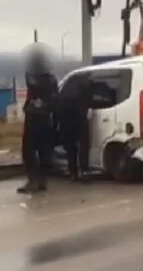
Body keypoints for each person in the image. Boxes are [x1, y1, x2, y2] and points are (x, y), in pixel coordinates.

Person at [19, 46, 58, 194]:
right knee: (44, 151)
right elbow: (54, 98)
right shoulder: (52, 79)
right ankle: (42, 180)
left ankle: (33, 181)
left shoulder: (33, 78)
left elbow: (31, 87)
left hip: (34, 117)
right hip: (46, 118)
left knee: (29, 150)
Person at [58, 73, 92, 182]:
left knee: (70, 147)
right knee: (83, 144)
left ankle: (72, 172)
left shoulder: (66, 87)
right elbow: (90, 101)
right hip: (80, 117)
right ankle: (84, 172)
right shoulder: (85, 84)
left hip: (66, 119)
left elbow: (56, 105)